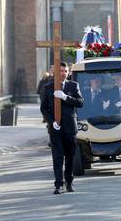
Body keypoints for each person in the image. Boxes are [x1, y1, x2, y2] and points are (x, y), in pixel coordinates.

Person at [40, 62, 84, 194]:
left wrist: (65, 97)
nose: (63, 73)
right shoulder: (48, 87)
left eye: (65, 71)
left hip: (70, 127)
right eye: (60, 71)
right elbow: (44, 107)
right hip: (56, 128)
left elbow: (80, 102)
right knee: (57, 156)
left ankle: (69, 182)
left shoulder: (73, 85)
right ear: (55, 73)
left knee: (70, 156)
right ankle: (58, 184)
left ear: (68, 72)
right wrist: (51, 121)